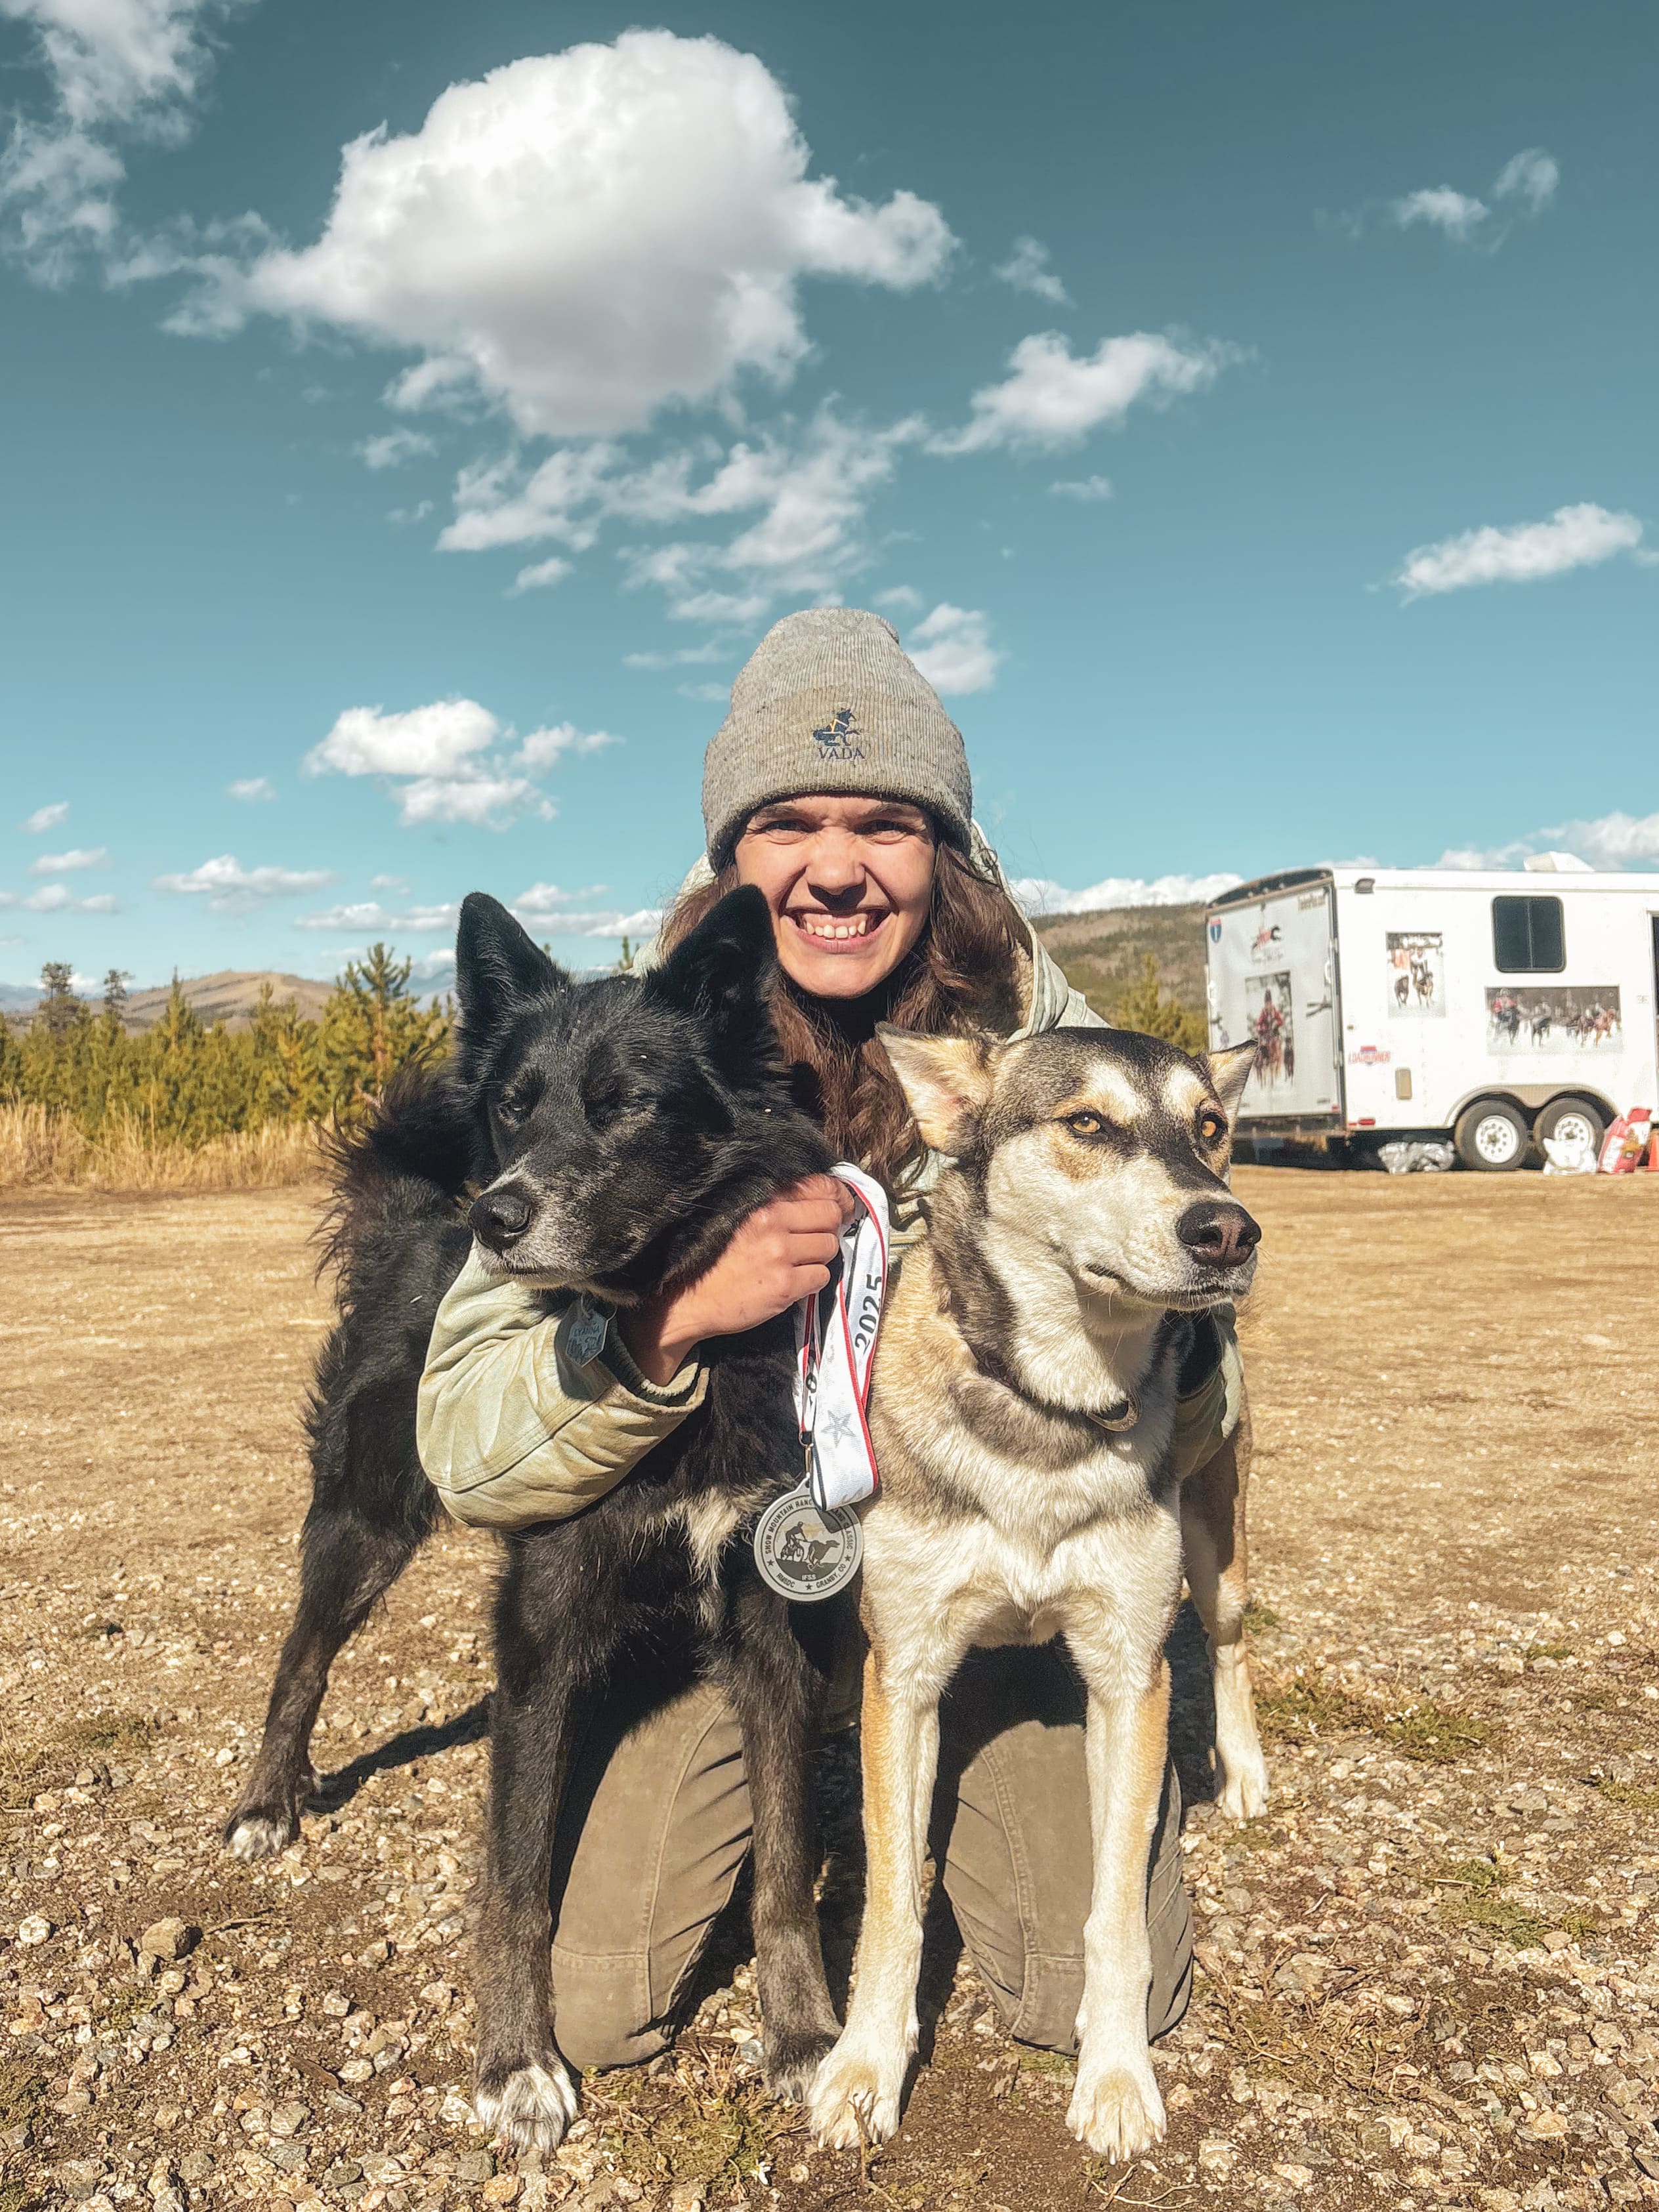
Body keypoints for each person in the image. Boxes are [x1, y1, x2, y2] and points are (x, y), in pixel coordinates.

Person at [417, 608, 1244, 2071]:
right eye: (788, 822)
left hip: (1006, 1574)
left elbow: (1200, 1365)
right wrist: (666, 1325)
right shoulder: (642, 1039)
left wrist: (1113, 1351)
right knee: (600, 1999)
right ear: (737, 856)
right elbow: (468, 1444)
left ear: (948, 851)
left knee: (1071, 1991)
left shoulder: (1071, 1066)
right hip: (760, 1592)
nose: (837, 867)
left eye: (886, 823)